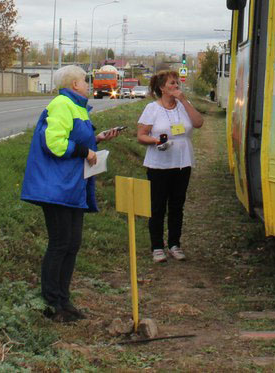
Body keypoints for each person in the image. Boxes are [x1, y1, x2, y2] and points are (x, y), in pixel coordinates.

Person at [20, 64, 121, 322]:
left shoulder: (77, 107)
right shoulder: (61, 105)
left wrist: (96, 140)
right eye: (85, 81)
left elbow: (73, 138)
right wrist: (85, 152)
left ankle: (64, 300)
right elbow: (54, 143)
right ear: (74, 84)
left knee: (72, 244)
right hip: (55, 187)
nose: (88, 84)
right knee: (61, 243)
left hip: (72, 186)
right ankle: (52, 302)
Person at [136, 69, 204, 263]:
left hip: (182, 162)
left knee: (177, 205)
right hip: (159, 164)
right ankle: (157, 246)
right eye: (171, 84)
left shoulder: (183, 105)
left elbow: (198, 123)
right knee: (158, 206)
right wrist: (156, 141)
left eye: (177, 83)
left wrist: (184, 100)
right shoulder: (152, 108)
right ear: (162, 88)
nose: (176, 87)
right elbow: (141, 135)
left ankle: (175, 244)